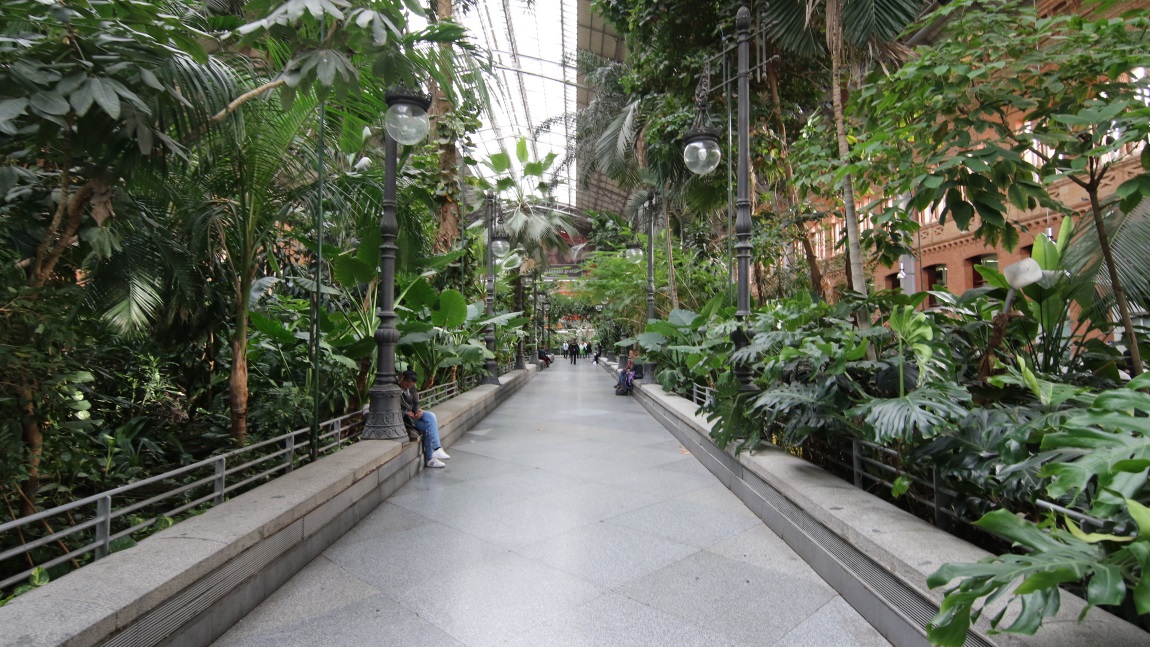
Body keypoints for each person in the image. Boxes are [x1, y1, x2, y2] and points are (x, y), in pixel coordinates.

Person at [398, 370, 450, 468]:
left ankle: (437, 449)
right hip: (405, 419)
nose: (409, 386)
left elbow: (416, 403)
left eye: (411, 385)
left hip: (413, 415)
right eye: (407, 384)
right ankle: (431, 458)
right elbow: (391, 408)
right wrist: (405, 413)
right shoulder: (394, 388)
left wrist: (418, 411)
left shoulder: (412, 388)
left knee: (431, 416)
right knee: (428, 428)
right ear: (402, 379)